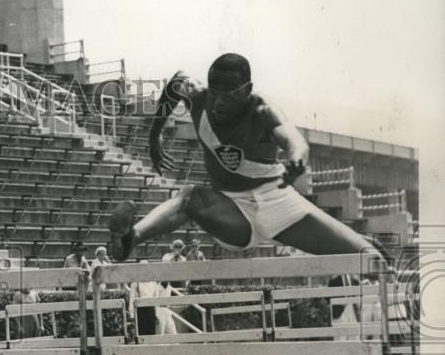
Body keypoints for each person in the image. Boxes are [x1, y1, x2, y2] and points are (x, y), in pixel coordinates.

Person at [105, 53, 383, 264]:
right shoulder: (197, 96)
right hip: (231, 210)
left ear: (247, 90)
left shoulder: (262, 110)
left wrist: (298, 159)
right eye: (214, 89)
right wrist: (155, 136)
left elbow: (293, 140)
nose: (218, 101)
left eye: (229, 92)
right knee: (191, 197)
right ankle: (129, 240)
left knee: (371, 259)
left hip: (280, 203)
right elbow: (175, 83)